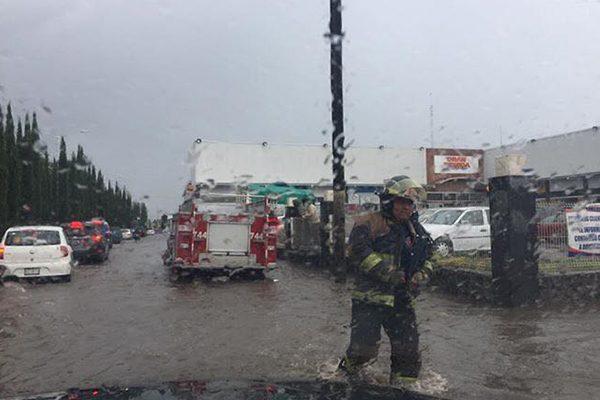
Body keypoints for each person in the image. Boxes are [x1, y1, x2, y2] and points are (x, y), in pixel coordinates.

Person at [338, 175, 433, 387]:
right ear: (388, 202)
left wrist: (421, 276)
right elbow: (359, 252)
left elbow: (430, 257)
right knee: (364, 350)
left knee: (407, 351)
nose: (406, 207)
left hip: (403, 301)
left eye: (409, 203)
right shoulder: (368, 223)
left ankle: (403, 389)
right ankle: (344, 377)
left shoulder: (416, 231)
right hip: (370, 300)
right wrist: (388, 272)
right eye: (401, 202)